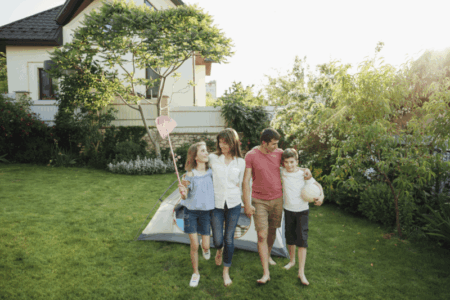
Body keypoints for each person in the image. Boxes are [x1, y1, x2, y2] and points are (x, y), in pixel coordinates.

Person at [242, 128, 312, 284]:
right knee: (262, 234)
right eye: (273, 144)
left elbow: (291, 165)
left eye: (277, 143)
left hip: (277, 200)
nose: (276, 146)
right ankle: (266, 273)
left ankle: (267, 255)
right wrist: (247, 203)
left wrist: (306, 171)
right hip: (259, 200)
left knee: (272, 231)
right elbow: (246, 180)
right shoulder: (251, 156)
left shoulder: (279, 153)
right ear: (264, 143)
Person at [281, 148, 324, 286]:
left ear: (297, 161)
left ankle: (301, 272)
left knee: (302, 241)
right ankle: (292, 261)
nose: (289, 165)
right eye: (286, 162)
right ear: (283, 163)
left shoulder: (303, 174)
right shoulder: (282, 172)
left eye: (292, 162)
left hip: (302, 211)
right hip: (288, 210)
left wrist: (321, 196)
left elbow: (317, 185)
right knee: (290, 238)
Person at [208, 128, 246, 287]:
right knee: (218, 239)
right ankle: (218, 250)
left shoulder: (240, 162)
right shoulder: (212, 158)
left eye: (225, 142)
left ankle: (226, 272)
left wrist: (246, 203)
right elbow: (199, 170)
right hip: (216, 203)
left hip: (234, 203)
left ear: (233, 143)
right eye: (220, 142)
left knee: (229, 238)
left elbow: (242, 183)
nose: (221, 145)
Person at [178, 141, 215, 288]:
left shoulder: (212, 172)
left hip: (206, 213)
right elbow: (185, 197)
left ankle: (204, 246)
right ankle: (195, 273)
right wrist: (182, 191)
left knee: (205, 245)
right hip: (191, 213)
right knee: (194, 244)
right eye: (203, 151)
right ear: (195, 157)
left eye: (206, 151)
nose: (206, 153)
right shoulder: (189, 175)